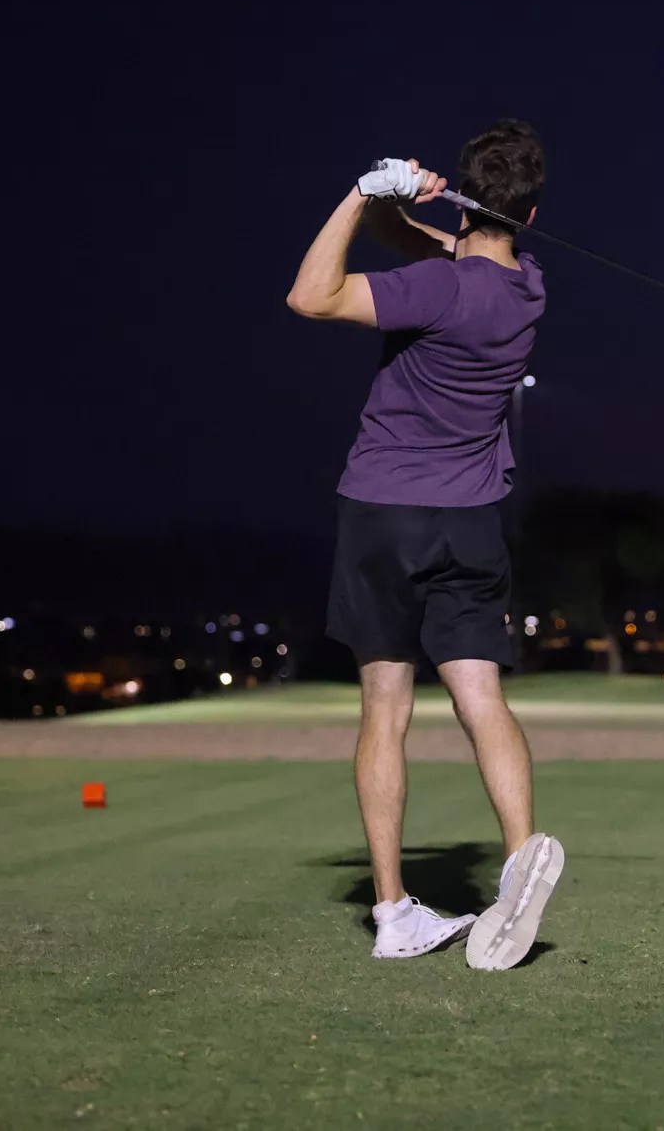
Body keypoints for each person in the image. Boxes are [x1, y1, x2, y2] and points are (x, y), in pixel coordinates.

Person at [285, 119, 564, 971]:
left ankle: (394, 911)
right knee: (481, 697)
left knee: (386, 712)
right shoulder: (528, 289)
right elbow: (443, 249)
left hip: (383, 512)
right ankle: (519, 859)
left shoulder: (434, 294)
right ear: (534, 211)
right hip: (473, 521)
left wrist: (359, 193)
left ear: (471, 200)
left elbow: (311, 296)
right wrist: (407, 203)